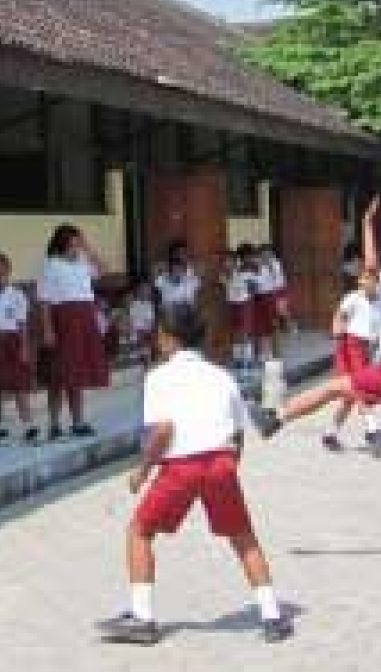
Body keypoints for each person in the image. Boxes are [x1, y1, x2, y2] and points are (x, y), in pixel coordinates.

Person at [252, 195, 381, 567]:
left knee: (335, 387)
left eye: (372, 275)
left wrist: (366, 225)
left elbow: (375, 261)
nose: (367, 277)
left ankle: (275, 419)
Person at [98, 305, 292, 646]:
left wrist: (142, 471)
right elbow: (238, 431)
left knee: (140, 530)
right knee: (243, 536)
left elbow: (163, 432)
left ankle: (142, 615)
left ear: (169, 339)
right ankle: (272, 614)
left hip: (181, 466)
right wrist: (232, 465)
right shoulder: (221, 375)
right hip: (221, 460)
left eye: (159, 335)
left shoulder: (158, 377)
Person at [36, 224, 110, 440]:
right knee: (58, 374)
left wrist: (89, 248)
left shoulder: (83, 262)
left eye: (79, 242)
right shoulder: (51, 265)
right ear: (63, 243)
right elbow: (44, 300)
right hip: (64, 318)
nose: (77, 246)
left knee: (77, 373)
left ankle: (78, 421)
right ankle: (54, 423)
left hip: (84, 316)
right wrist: (48, 328)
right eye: (73, 242)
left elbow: (104, 268)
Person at [322, 266, 381, 456]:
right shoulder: (353, 298)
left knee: (350, 397)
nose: (363, 282)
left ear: (377, 283)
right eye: (362, 279)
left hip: (367, 347)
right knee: (361, 389)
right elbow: (339, 316)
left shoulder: (380, 301)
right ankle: (372, 430)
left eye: (368, 279)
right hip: (351, 346)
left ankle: (330, 434)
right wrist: (336, 333)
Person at [0, 253, 39, 446]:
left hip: (13, 341)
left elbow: (22, 324)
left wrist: (24, 347)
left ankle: (28, 425)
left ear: (8, 271)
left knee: (19, 385)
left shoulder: (17, 295)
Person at [221, 247, 257, 368]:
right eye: (225, 261)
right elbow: (224, 288)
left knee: (244, 331)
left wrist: (247, 295)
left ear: (235, 261)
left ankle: (248, 358)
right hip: (232, 304)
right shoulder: (223, 276)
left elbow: (253, 288)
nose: (227, 263)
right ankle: (237, 358)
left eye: (229, 261)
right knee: (235, 331)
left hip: (244, 303)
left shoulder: (245, 273)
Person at [127, 278, 157, 363]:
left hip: (147, 330)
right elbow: (131, 320)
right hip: (137, 330)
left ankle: (147, 356)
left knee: (148, 337)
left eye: (147, 291)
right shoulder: (134, 304)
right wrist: (134, 329)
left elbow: (151, 321)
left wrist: (149, 330)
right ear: (139, 292)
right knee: (137, 337)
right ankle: (141, 355)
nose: (145, 292)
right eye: (143, 290)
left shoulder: (150, 305)